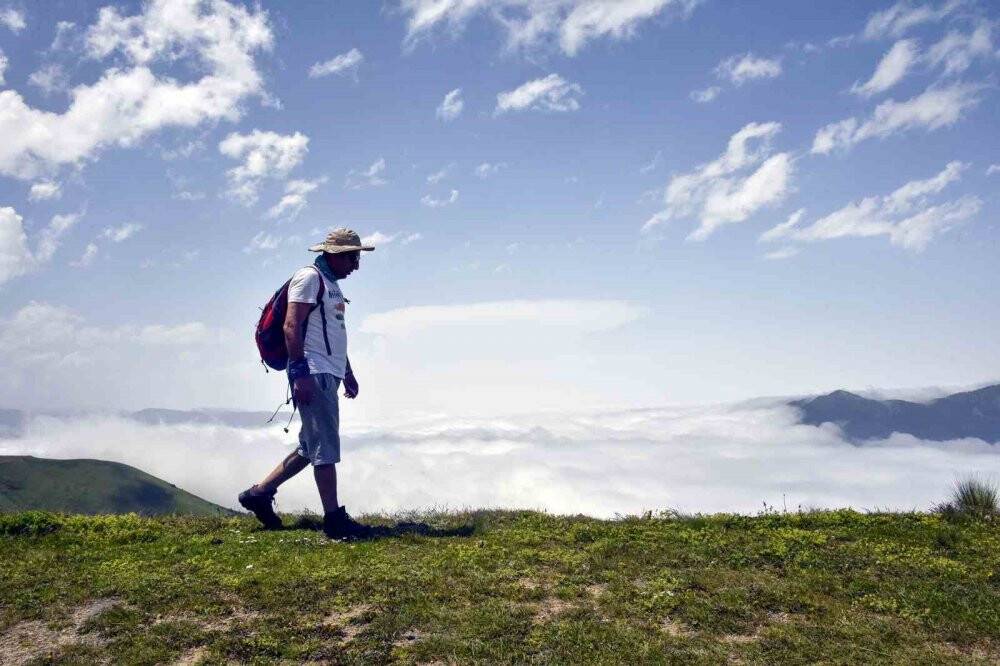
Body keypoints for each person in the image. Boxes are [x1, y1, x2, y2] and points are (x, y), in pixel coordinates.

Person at [239, 228, 375, 539]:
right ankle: (334, 519)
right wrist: (299, 372)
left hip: (328, 371)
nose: (356, 264)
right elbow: (291, 325)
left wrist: (348, 372)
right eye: (354, 257)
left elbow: (336, 334)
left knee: (310, 446)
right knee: (324, 446)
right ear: (336, 254)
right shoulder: (309, 278)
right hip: (312, 371)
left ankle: (258, 494)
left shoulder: (331, 285)